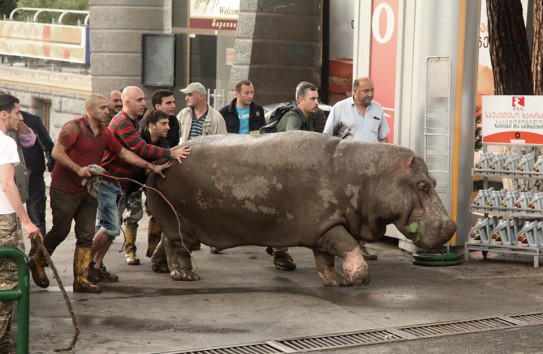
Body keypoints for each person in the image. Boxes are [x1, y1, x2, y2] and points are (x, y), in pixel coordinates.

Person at [28, 94, 175, 294]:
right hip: (65, 189)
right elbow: (56, 152)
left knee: (86, 236)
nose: (107, 111)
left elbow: (123, 153)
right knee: (61, 231)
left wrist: (150, 166)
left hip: (90, 190)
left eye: (107, 107)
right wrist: (78, 168)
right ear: (89, 110)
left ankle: (81, 280)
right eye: (103, 108)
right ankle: (38, 261)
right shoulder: (74, 127)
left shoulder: (105, 133)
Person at [91, 87, 190, 283]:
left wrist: (151, 166)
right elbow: (139, 147)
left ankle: (96, 265)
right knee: (110, 227)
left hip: (120, 184)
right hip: (109, 182)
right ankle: (84, 263)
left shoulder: (134, 120)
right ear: (127, 103)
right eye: (139, 99)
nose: (144, 103)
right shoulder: (121, 122)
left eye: (144, 99)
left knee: (111, 229)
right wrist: (170, 153)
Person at [322, 76, 390, 260]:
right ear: (354, 91)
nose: (370, 94)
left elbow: (384, 139)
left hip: (371, 171)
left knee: (365, 209)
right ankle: (346, 247)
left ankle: (361, 246)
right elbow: (327, 138)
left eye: (372, 90)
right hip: (345, 170)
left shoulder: (377, 109)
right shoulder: (340, 109)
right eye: (366, 91)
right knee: (347, 209)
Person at [0, 93, 42, 352]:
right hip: (4, 219)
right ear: (3, 115)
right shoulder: (4, 142)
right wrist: (26, 221)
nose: (20, 117)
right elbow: (7, 184)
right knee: (9, 279)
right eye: (16, 112)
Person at [268, 81, 321, 271]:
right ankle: (280, 252)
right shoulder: (294, 118)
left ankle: (275, 244)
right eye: (312, 98)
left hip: (293, 175)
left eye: (317, 98)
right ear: (300, 100)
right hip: (281, 175)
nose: (317, 102)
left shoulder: (310, 117)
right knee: (284, 214)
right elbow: (294, 145)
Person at [21, 111, 55, 257]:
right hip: (8, 178)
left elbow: (48, 145)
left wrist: (52, 168)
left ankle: (39, 255)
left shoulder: (32, 120)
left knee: (36, 217)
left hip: (33, 176)